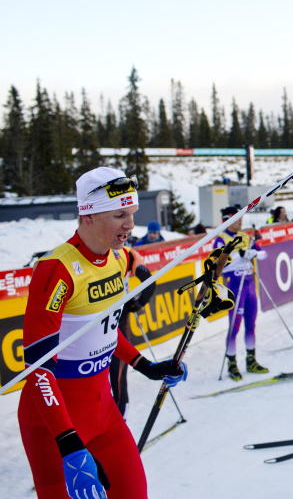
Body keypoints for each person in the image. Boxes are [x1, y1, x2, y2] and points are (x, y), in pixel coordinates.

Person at [19, 167, 187, 499]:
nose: (130, 224)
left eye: (132, 214)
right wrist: (68, 443)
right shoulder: (58, 270)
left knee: (134, 492)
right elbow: (38, 368)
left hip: (104, 413)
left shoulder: (118, 257)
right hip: (53, 422)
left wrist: (144, 365)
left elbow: (104, 329)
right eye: (119, 215)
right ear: (89, 215)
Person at [215, 205, 269, 381]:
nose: (240, 222)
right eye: (237, 219)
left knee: (251, 324)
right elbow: (219, 264)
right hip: (234, 284)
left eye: (241, 219)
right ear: (227, 220)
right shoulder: (220, 239)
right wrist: (240, 255)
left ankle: (251, 360)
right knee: (235, 325)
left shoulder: (245, 236)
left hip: (249, 284)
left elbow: (264, 255)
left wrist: (253, 253)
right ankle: (232, 363)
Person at [108, 249, 157, 417]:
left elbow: (149, 282)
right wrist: (139, 302)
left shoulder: (126, 254)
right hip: (114, 315)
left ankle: (121, 419)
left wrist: (137, 303)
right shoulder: (127, 252)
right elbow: (149, 283)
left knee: (116, 372)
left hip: (113, 316)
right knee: (115, 374)